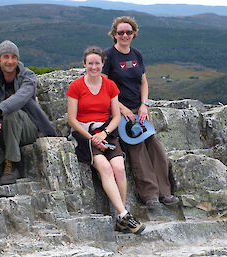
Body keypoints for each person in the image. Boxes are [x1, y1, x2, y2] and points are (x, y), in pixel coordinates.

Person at [66, 46, 145, 234]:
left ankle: (121, 218)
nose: (94, 67)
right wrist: (92, 137)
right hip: (84, 134)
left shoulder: (110, 86)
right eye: (90, 63)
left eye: (97, 63)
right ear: (84, 64)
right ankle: (124, 214)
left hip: (106, 131)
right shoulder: (75, 86)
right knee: (106, 168)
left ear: (103, 64)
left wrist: (104, 133)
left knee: (119, 167)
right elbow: (72, 119)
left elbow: (116, 116)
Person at [102, 16, 179, 208]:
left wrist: (144, 104)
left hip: (140, 109)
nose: (125, 35)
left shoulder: (136, 54)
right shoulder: (109, 56)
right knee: (137, 148)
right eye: (121, 32)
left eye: (128, 32)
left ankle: (165, 192)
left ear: (134, 34)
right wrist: (121, 108)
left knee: (155, 146)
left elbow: (143, 82)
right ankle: (150, 195)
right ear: (114, 34)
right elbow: (103, 86)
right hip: (120, 111)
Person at [0, 40, 56, 186]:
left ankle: (13, 163)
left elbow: (21, 97)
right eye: (6, 57)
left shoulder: (28, 76)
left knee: (12, 113)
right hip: (3, 129)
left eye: (13, 57)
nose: (10, 61)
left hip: (27, 129)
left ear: (17, 59)